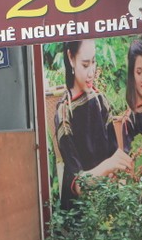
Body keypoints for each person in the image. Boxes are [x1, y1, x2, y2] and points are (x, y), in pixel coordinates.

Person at [55, 39, 132, 209]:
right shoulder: (64, 111)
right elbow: (78, 184)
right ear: (71, 58)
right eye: (85, 64)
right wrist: (109, 165)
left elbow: (113, 156)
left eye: (93, 62)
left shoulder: (100, 100)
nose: (91, 72)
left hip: (105, 206)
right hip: (79, 216)